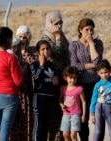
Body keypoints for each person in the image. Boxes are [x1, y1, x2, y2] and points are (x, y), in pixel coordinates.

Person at [69, 18, 104, 141]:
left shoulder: (97, 43)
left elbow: (98, 61)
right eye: (86, 30)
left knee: (98, 114)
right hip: (81, 84)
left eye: (91, 30)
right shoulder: (74, 45)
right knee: (83, 116)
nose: (89, 32)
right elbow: (74, 65)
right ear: (80, 30)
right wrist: (93, 66)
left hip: (96, 83)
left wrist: (91, 43)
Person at [41, 11, 70, 140]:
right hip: (52, 80)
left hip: (64, 79)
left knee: (64, 112)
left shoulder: (63, 37)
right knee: (53, 113)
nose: (59, 26)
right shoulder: (45, 39)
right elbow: (56, 55)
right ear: (49, 23)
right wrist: (57, 38)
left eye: (60, 22)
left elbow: (66, 55)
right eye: (55, 23)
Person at [90, 59, 111, 141]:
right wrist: (92, 114)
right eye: (101, 73)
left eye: (106, 72)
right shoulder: (97, 85)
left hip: (108, 107)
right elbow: (93, 99)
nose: (104, 75)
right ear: (98, 73)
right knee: (97, 131)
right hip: (98, 108)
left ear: (110, 70)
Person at [30, 40, 58, 141]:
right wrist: (41, 65)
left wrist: (56, 79)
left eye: (48, 48)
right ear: (38, 52)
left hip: (50, 99)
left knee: (46, 126)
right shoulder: (34, 65)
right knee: (39, 125)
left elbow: (53, 80)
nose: (46, 51)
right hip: (39, 98)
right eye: (43, 49)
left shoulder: (51, 65)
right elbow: (36, 78)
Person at [59, 66, 86, 141]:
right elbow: (60, 99)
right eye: (70, 78)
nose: (73, 80)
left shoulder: (79, 89)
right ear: (65, 77)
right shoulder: (63, 88)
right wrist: (61, 104)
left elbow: (84, 102)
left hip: (76, 115)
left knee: (73, 135)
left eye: (75, 78)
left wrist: (83, 115)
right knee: (65, 135)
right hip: (65, 114)